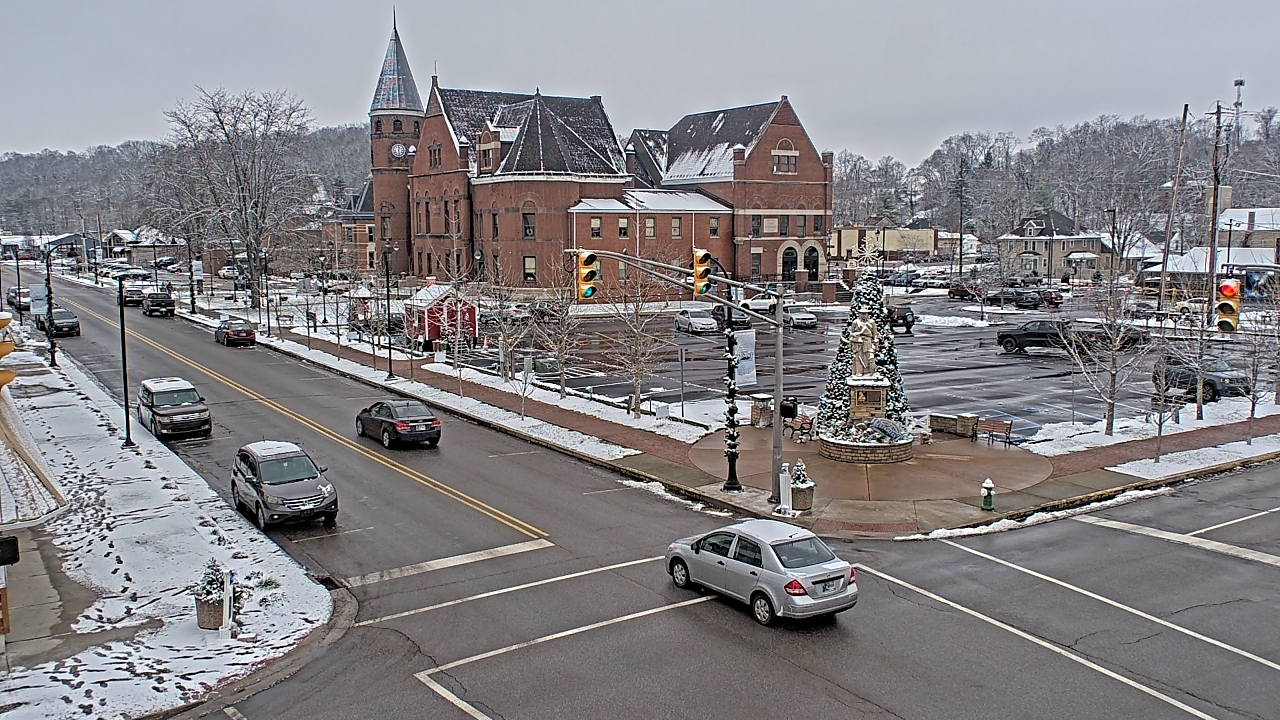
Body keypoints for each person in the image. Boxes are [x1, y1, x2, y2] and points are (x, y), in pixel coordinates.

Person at [849, 308, 878, 376]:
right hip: (858, 342)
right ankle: (859, 372)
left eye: (865, 314)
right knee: (858, 357)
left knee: (871, 357)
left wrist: (876, 343)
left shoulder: (871, 322)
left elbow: (875, 334)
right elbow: (851, 332)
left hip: (868, 341)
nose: (864, 315)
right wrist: (854, 335)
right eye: (862, 314)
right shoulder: (856, 322)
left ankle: (872, 372)